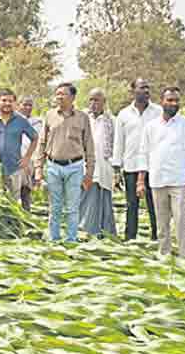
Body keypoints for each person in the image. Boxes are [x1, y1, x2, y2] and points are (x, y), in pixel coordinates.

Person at [136, 87, 185, 260]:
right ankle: (164, 255)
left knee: (181, 221)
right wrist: (141, 181)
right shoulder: (151, 127)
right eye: (170, 100)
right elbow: (143, 153)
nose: (174, 103)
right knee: (161, 223)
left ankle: (184, 257)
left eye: (176, 100)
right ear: (162, 102)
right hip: (157, 180)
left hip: (179, 181)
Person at [35, 83, 94, 244]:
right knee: (55, 207)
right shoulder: (49, 115)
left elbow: (89, 145)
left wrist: (89, 173)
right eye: (57, 94)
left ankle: (71, 239)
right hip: (53, 166)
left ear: (73, 97)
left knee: (72, 207)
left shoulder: (82, 117)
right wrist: (38, 169)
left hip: (74, 166)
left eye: (63, 94)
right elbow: (42, 143)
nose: (59, 97)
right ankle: (54, 239)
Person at [113, 78, 161, 242]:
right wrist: (116, 169)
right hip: (131, 166)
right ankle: (130, 238)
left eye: (147, 88)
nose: (146, 91)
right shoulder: (124, 114)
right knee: (131, 204)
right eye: (142, 87)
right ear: (133, 91)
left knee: (154, 204)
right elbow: (119, 142)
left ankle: (157, 237)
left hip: (153, 166)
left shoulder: (158, 112)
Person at [0, 89, 38, 205]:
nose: (7, 103)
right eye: (4, 100)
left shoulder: (21, 120)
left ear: (14, 103)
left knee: (13, 202)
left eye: (10, 101)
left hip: (14, 167)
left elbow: (35, 138)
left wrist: (27, 158)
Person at [80, 88, 116, 237]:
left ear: (104, 102)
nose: (93, 103)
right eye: (91, 100)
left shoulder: (111, 121)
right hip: (85, 166)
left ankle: (105, 232)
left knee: (104, 199)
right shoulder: (82, 118)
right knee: (86, 198)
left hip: (104, 166)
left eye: (97, 100)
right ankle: (86, 230)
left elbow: (116, 145)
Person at [16, 97, 43, 211]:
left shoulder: (37, 122)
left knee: (26, 189)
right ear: (19, 105)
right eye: (25, 104)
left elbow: (40, 141)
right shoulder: (13, 120)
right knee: (13, 190)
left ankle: (26, 214)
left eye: (30, 105)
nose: (27, 107)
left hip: (31, 159)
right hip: (16, 159)